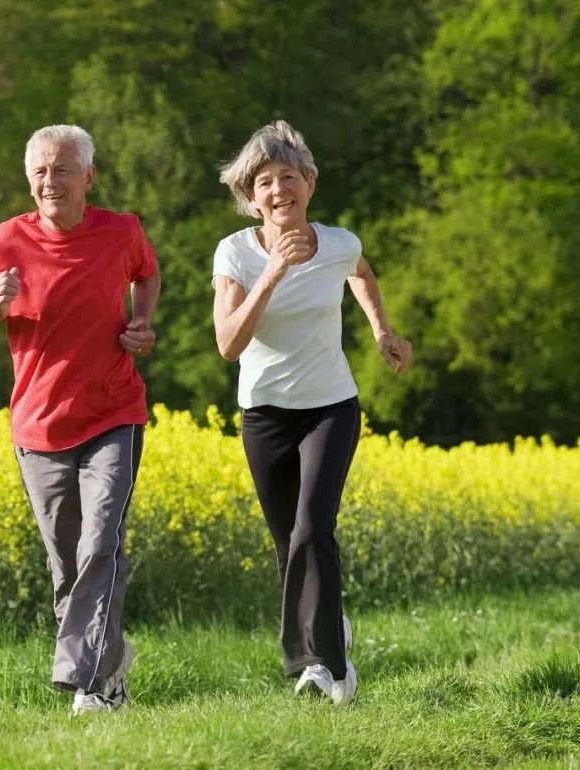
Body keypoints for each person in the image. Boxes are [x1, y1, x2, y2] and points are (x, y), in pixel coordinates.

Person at [0, 124, 160, 716]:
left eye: (62, 169)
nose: (50, 181)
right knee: (68, 564)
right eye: (41, 171)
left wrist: (141, 324)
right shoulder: (5, 242)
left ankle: (84, 681)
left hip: (113, 412)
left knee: (102, 542)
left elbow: (147, 273)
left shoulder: (121, 232)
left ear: (88, 177)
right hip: (39, 426)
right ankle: (111, 664)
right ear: (28, 178)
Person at [211, 120, 412, 705]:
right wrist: (273, 274)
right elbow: (228, 344)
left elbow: (361, 274)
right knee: (288, 546)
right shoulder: (235, 255)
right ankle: (331, 636)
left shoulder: (339, 243)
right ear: (252, 199)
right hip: (265, 416)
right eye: (265, 182)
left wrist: (382, 330)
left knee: (312, 529)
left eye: (289, 177)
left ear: (310, 184)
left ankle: (324, 668)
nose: (279, 190)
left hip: (331, 407)